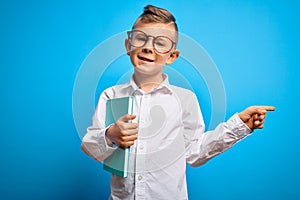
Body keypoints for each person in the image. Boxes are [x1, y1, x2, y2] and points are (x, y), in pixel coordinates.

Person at [81, 5, 275, 200]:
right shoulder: (111, 95)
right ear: (128, 45)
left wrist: (239, 126)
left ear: (172, 56)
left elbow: (195, 153)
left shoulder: (185, 99)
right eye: (141, 38)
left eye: (161, 43)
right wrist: (110, 135)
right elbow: (90, 146)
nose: (148, 47)